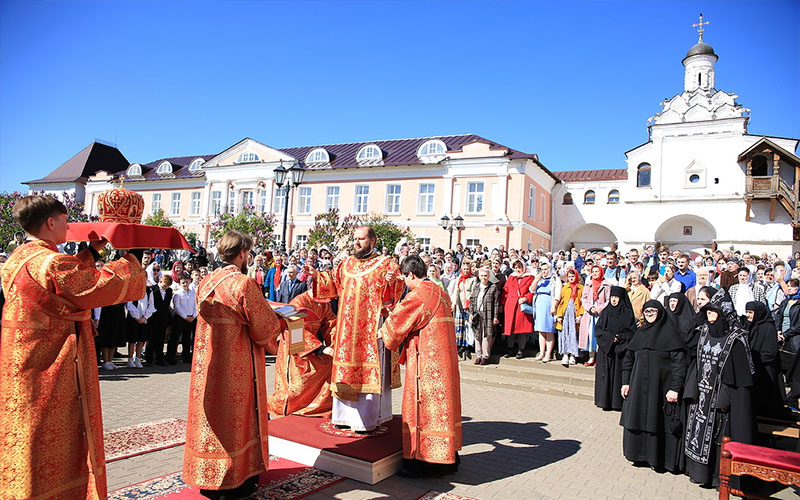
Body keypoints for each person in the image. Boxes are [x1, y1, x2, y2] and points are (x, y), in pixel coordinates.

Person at [0, 195, 146, 500]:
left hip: (21, 361)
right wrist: (131, 260)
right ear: (51, 222)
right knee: (51, 438)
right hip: (50, 362)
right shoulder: (53, 262)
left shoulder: (18, 257)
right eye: (65, 221)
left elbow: (63, 287)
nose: (69, 227)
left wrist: (91, 252)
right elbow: (92, 287)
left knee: (23, 435)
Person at [183, 230, 282, 499]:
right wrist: (281, 322)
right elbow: (263, 329)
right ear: (241, 253)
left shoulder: (207, 280)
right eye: (248, 253)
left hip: (208, 364)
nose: (248, 257)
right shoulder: (243, 284)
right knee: (239, 419)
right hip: (238, 364)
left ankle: (208, 477)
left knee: (212, 418)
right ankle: (237, 479)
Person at [304, 226, 405, 432]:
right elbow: (331, 283)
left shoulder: (386, 265)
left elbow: (394, 296)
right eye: (355, 239)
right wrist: (316, 276)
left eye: (361, 239)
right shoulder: (346, 263)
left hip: (370, 330)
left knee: (367, 372)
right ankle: (342, 416)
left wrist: (391, 284)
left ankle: (366, 420)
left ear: (373, 241)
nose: (357, 243)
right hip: (346, 330)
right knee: (345, 371)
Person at [379, 255, 462, 478]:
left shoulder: (418, 294)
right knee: (443, 409)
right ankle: (449, 458)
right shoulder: (440, 291)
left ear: (412, 274)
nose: (406, 284)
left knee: (422, 410)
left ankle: (424, 463)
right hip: (445, 361)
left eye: (406, 279)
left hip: (426, 361)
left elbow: (396, 325)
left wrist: (382, 332)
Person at [684, 289, 755, 487]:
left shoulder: (736, 339)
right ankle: (700, 474)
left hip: (722, 401)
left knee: (719, 438)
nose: (709, 315)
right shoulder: (704, 332)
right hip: (702, 396)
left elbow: (740, 378)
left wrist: (725, 398)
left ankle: (719, 479)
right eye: (707, 312)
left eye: (713, 312)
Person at [620, 300, 687, 472]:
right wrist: (625, 382)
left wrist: (675, 388)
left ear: (660, 313)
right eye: (647, 312)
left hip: (661, 389)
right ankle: (638, 456)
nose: (649, 315)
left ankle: (656, 459)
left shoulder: (671, 334)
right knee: (638, 418)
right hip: (637, 387)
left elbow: (679, 365)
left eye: (652, 312)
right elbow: (628, 360)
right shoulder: (640, 332)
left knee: (657, 421)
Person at [268, 290, 337, 418]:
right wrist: (320, 349)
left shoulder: (324, 304)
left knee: (329, 366)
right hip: (295, 346)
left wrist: (336, 344)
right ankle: (276, 405)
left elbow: (330, 324)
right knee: (297, 385)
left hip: (312, 345)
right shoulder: (299, 302)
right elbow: (295, 329)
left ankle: (317, 406)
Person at [745, 301, 790, 420]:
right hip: (754, 368)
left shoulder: (768, 327)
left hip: (766, 370)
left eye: (750, 312)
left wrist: (755, 359)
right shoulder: (750, 326)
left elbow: (770, 352)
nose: (748, 315)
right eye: (747, 312)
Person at [595, 286, 637, 411]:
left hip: (621, 351)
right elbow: (599, 330)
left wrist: (620, 338)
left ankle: (618, 402)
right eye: (612, 297)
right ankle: (604, 401)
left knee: (618, 377)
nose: (614, 300)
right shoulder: (606, 312)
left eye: (616, 298)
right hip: (607, 350)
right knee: (606, 377)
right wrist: (610, 338)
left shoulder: (628, 314)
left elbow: (632, 333)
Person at [503, 258, 534, 359]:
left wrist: (526, 298)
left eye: (519, 267)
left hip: (521, 306)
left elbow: (533, 292)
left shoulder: (530, 278)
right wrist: (503, 303)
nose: (517, 270)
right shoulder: (511, 278)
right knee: (510, 329)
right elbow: (505, 291)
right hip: (511, 306)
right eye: (515, 267)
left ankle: (521, 349)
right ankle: (509, 348)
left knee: (521, 329)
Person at [580, 265, 611, 366]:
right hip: (590, 314)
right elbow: (583, 298)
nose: (595, 273)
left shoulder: (607, 285)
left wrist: (598, 309)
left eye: (597, 271)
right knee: (590, 335)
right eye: (593, 271)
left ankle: (599, 358)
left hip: (600, 314)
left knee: (599, 336)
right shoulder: (588, 284)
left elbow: (608, 300)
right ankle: (591, 357)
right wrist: (590, 308)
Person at [469, 266, 500, 365]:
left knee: (486, 335)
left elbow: (496, 303)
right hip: (477, 314)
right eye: (482, 275)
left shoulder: (493, 287)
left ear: (489, 276)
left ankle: (485, 356)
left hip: (488, 314)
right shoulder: (477, 286)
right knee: (477, 335)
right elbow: (472, 301)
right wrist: (471, 313)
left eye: (485, 276)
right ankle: (478, 355)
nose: (484, 277)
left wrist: (495, 316)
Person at [531, 260, 561, 362]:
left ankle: (548, 354)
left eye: (546, 269)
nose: (544, 271)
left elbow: (557, 294)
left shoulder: (555, 279)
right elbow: (531, 290)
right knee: (541, 331)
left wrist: (554, 305)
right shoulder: (540, 280)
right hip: (539, 304)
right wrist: (536, 280)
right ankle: (541, 352)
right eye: (542, 269)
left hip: (549, 304)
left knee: (549, 330)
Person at [448, 257, 477, 359]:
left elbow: (473, 292)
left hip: (468, 306)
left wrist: (471, 304)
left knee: (468, 326)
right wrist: (454, 303)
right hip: (460, 306)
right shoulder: (459, 279)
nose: (465, 271)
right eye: (464, 269)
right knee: (459, 326)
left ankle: (467, 346)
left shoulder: (473, 279)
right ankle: (459, 345)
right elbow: (456, 292)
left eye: (467, 269)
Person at [555, 268, 584, 366]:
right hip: (566, 313)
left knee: (574, 333)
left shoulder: (581, 288)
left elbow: (582, 303)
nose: (571, 278)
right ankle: (565, 354)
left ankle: (573, 355)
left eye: (573, 276)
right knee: (565, 333)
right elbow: (561, 302)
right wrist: (559, 315)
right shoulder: (565, 288)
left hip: (575, 314)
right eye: (570, 276)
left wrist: (580, 314)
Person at [126, 282, 156, 369]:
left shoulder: (149, 291)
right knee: (132, 340)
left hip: (143, 319)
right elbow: (129, 304)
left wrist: (145, 317)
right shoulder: (132, 289)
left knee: (141, 340)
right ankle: (130, 359)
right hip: (134, 318)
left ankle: (138, 359)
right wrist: (136, 316)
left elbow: (151, 305)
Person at [147, 274, 174, 366]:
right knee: (151, 338)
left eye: (167, 286)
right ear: (160, 281)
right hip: (153, 317)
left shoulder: (169, 291)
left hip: (163, 317)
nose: (165, 287)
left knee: (161, 338)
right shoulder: (153, 289)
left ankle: (159, 358)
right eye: (164, 285)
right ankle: (149, 358)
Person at [170, 275, 197, 364]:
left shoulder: (193, 293)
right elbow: (177, 307)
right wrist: (185, 317)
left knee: (187, 338)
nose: (185, 284)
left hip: (190, 317)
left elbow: (195, 305)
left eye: (187, 282)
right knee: (175, 337)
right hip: (180, 318)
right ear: (180, 283)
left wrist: (194, 315)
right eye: (183, 283)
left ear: (190, 282)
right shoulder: (178, 294)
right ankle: (171, 356)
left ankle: (186, 356)